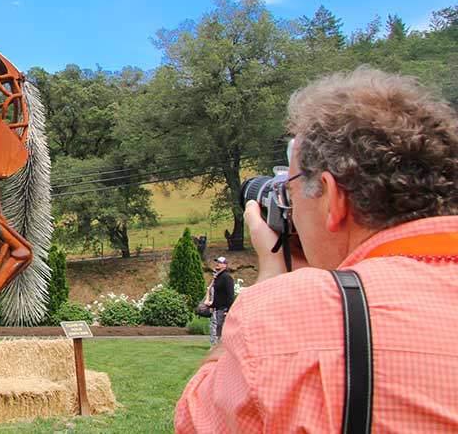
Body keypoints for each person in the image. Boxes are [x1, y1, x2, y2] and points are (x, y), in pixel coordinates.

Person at [176, 68, 458, 432]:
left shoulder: (290, 315)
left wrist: (273, 278)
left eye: (290, 191)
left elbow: (194, 421)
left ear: (331, 195)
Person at [205, 256, 233, 344]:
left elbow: (230, 294)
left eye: (220, 263)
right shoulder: (218, 277)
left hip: (224, 308)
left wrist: (229, 309)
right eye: (217, 262)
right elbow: (217, 294)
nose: (217, 264)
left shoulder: (226, 277)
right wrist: (213, 305)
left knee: (222, 328)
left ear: (225, 265)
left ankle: (223, 347)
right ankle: (220, 347)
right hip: (218, 308)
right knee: (218, 328)